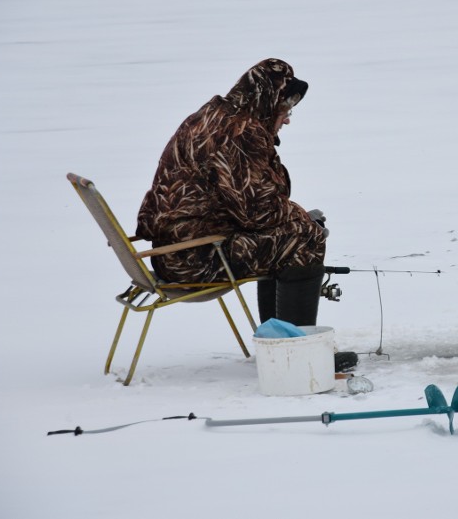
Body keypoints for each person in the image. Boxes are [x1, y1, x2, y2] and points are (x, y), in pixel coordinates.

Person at [136, 58, 328, 327]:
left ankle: (277, 341)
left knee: (291, 232)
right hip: (193, 259)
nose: (286, 120)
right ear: (267, 103)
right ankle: (295, 349)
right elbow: (258, 213)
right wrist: (303, 220)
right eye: (284, 110)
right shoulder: (240, 133)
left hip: (173, 250)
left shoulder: (210, 116)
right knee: (306, 238)